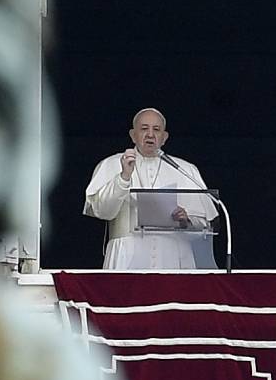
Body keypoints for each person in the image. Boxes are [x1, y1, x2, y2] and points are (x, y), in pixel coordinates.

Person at [84, 108, 218, 269]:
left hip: (174, 258)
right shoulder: (111, 164)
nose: (150, 134)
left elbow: (205, 224)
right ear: (133, 135)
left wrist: (186, 220)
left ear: (164, 137)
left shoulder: (185, 169)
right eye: (144, 129)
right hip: (127, 256)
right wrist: (124, 177)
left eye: (156, 130)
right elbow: (102, 211)